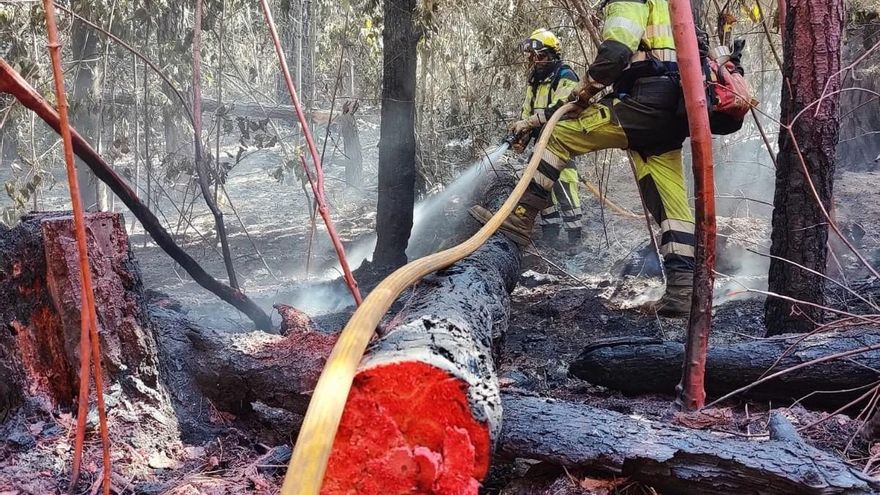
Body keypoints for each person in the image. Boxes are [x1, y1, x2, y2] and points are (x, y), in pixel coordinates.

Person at [471, 0, 695, 315]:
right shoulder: (674, 7)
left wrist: (586, 91)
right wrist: (535, 121)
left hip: (644, 103)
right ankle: (683, 293)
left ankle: (519, 219)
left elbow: (616, 53)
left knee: (560, 137)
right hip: (674, 112)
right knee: (671, 204)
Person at [509, 28, 584, 250]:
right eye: (533, 57)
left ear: (553, 55)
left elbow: (562, 109)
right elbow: (527, 111)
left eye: (541, 56)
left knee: (565, 188)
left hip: (562, 142)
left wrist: (529, 123)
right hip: (541, 143)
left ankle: (575, 239)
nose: (536, 61)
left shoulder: (565, 76)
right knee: (541, 188)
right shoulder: (535, 80)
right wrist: (521, 135)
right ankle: (550, 238)